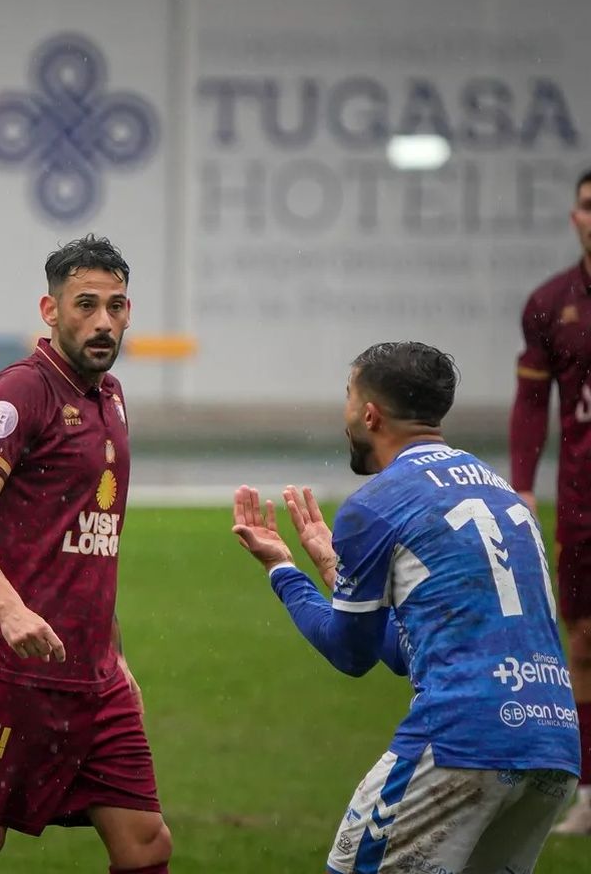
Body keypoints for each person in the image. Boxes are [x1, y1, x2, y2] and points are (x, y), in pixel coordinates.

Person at [232, 341, 579, 872]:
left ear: (369, 413)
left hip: (461, 739)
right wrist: (335, 572)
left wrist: (282, 570)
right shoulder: (500, 491)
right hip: (553, 742)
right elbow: (406, 651)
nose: (346, 414)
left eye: (349, 397)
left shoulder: (376, 503)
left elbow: (351, 654)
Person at [0, 236, 170, 874]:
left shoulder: (110, 397)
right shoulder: (20, 393)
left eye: (116, 306)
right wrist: (10, 610)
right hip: (15, 672)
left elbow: (91, 540)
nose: (104, 321)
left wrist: (114, 653)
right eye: (86, 304)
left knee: (145, 843)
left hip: (95, 675)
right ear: (50, 311)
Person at [511, 168, 591, 833]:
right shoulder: (550, 303)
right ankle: (589, 796)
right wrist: (521, 484)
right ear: (575, 217)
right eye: (590, 206)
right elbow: (533, 404)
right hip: (581, 501)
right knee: (583, 641)